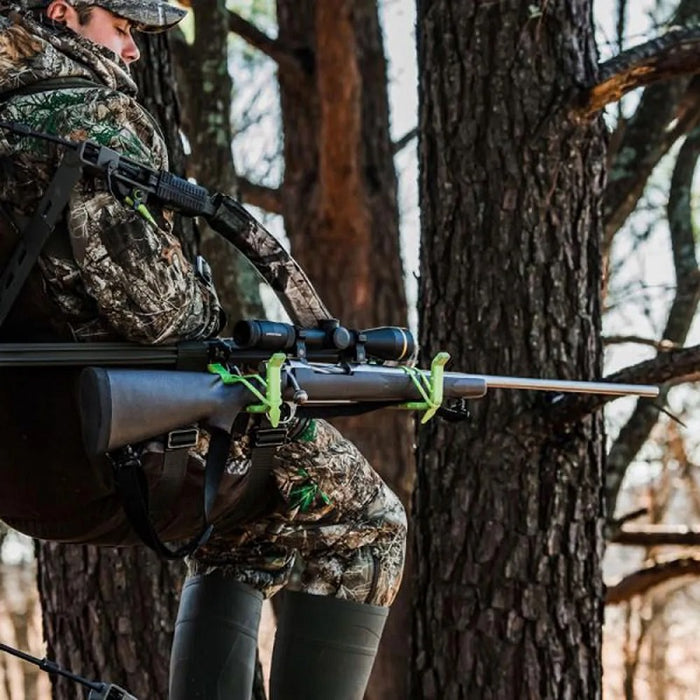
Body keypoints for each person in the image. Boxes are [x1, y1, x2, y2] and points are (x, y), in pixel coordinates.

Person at [0, 2, 407, 698]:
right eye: (121, 28)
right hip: (118, 456)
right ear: (61, 11)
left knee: (248, 533)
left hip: (23, 465)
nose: (132, 52)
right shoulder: (90, 117)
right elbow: (158, 312)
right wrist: (220, 321)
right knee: (370, 523)